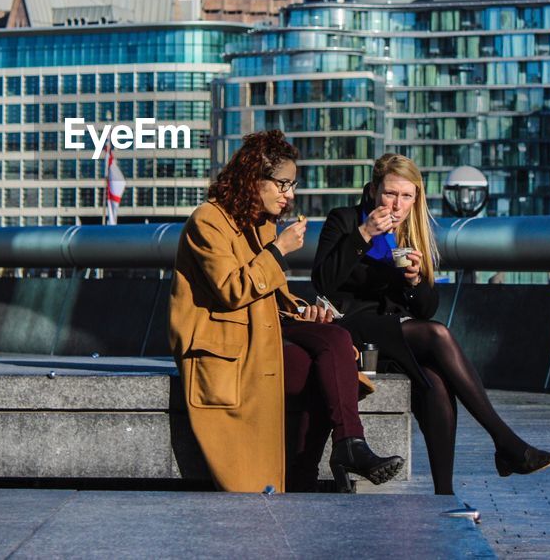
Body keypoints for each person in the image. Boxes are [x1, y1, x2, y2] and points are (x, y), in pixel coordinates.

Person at [311, 153, 550, 496]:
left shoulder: (413, 234)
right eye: (390, 194)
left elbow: (426, 307)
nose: (397, 205)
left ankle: (445, 494)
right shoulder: (345, 220)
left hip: (395, 333)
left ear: (416, 198)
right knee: (438, 333)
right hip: (351, 330)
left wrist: (414, 281)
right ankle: (505, 441)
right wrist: (363, 234)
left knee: (438, 383)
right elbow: (324, 281)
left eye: (407, 196)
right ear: (373, 191)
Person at [169, 130, 403, 493]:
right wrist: (278, 250)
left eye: (291, 185)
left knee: (337, 337)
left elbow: (274, 297)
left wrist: (305, 310)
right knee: (317, 367)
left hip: (265, 329)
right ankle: (306, 473)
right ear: (252, 178)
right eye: (282, 184)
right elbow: (232, 290)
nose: (289, 195)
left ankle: (349, 444)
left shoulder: (261, 222)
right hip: (230, 344)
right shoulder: (207, 221)